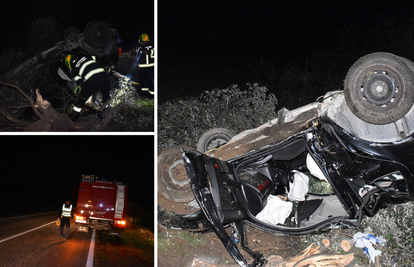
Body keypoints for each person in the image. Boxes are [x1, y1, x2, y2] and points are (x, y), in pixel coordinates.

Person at [64, 53, 112, 119]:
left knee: (80, 100)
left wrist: (84, 89)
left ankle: (75, 116)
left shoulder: (74, 69)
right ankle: (108, 111)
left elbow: (80, 82)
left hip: (92, 81)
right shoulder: (84, 55)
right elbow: (97, 58)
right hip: (104, 76)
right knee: (106, 96)